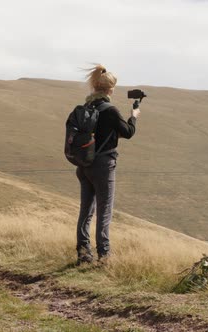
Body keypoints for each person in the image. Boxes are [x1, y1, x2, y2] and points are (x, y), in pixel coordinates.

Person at [76, 64, 140, 265]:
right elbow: (128, 132)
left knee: (86, 210)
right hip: (104, 165)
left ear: (95, 86)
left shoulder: (86, 108)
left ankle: (83, 252)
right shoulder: (110, 110)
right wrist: (134, 116)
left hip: (83, 164)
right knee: (105, 210)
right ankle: (104, 254)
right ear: (110, 89)